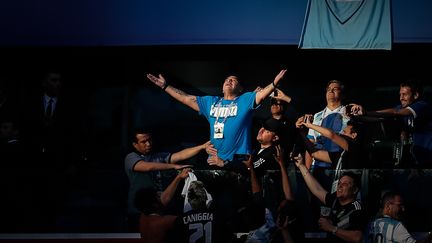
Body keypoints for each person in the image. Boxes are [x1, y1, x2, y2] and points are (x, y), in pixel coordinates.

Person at [146, 69, 287, 166]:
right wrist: (165, 86)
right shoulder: (210, 102)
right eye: (227, 79)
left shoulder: (245, 99)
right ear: (221, 88)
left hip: (238, 163)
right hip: (214, 160)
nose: (229, 81)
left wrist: (274, 84)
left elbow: (261, 95)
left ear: (240, 89)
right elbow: (186, 98)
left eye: (234, 80)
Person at [124, 128, 209, 231]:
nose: (148, 144)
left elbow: (180, 155)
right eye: (143, 142)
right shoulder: (131, 157)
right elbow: (147, 167)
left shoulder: (158, 156)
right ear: (135, 144)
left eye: (149, 140)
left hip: (159, 209)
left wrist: (202, 147)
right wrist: (173, 166)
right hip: (138, 211)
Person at [351, 80, 432, 168]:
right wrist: (356, 116)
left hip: (428, 160)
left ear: (416, 95)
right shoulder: (401, 108)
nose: (401, 98)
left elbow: (395, 112)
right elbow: (379, 118)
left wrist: (365, 112)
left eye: (404, 94)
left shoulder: (422, 105)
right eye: (400, 94)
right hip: (413, 161)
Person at [294, 154, 366, 242]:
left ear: (355, 190)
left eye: (345, 184)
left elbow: (357, 237)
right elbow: (317, 189)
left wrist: (332, 228)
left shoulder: (357, 208)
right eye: (339, 183)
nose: (340, 186)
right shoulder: (335, 200)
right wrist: (301, 166)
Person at [135, 168, 191, 243]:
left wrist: (179, 177)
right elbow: (191, 218)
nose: (161, 196)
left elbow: (165, 198)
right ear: (155, 205)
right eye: (158, 196)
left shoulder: (143, 218)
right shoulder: (165, 221)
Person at [305, 79, 350, 171]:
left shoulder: (349, 113)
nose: (331, 90)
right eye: (329, 89)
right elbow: (310, 144)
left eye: (335, 89)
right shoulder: (317, 116)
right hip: (317, 167)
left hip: (340, 166)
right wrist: (307, 171)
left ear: (343, 95)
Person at [365, 191, 432, 243]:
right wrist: (430, 236)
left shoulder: (371, 224)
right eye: (399, 205)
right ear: (388, 206)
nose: (403, 209)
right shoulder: (396, 226)